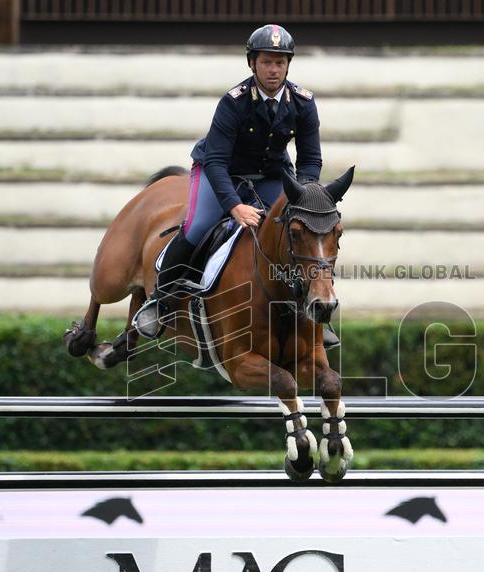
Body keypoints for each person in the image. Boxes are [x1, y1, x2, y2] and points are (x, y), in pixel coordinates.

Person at [134, 23, 339, 349]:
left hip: (271, 178)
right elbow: (215, 162)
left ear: (289, 64)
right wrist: (234, 206)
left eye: (280, 62)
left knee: (300, 232)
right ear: (252, 63)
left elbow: (311, 159)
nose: (274, 70)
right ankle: (158, 301)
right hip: (220, 174)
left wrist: (305, 196)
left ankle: (312, 315)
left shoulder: (303, 102)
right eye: (267, 62)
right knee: (198, 224)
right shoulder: (234, 101)